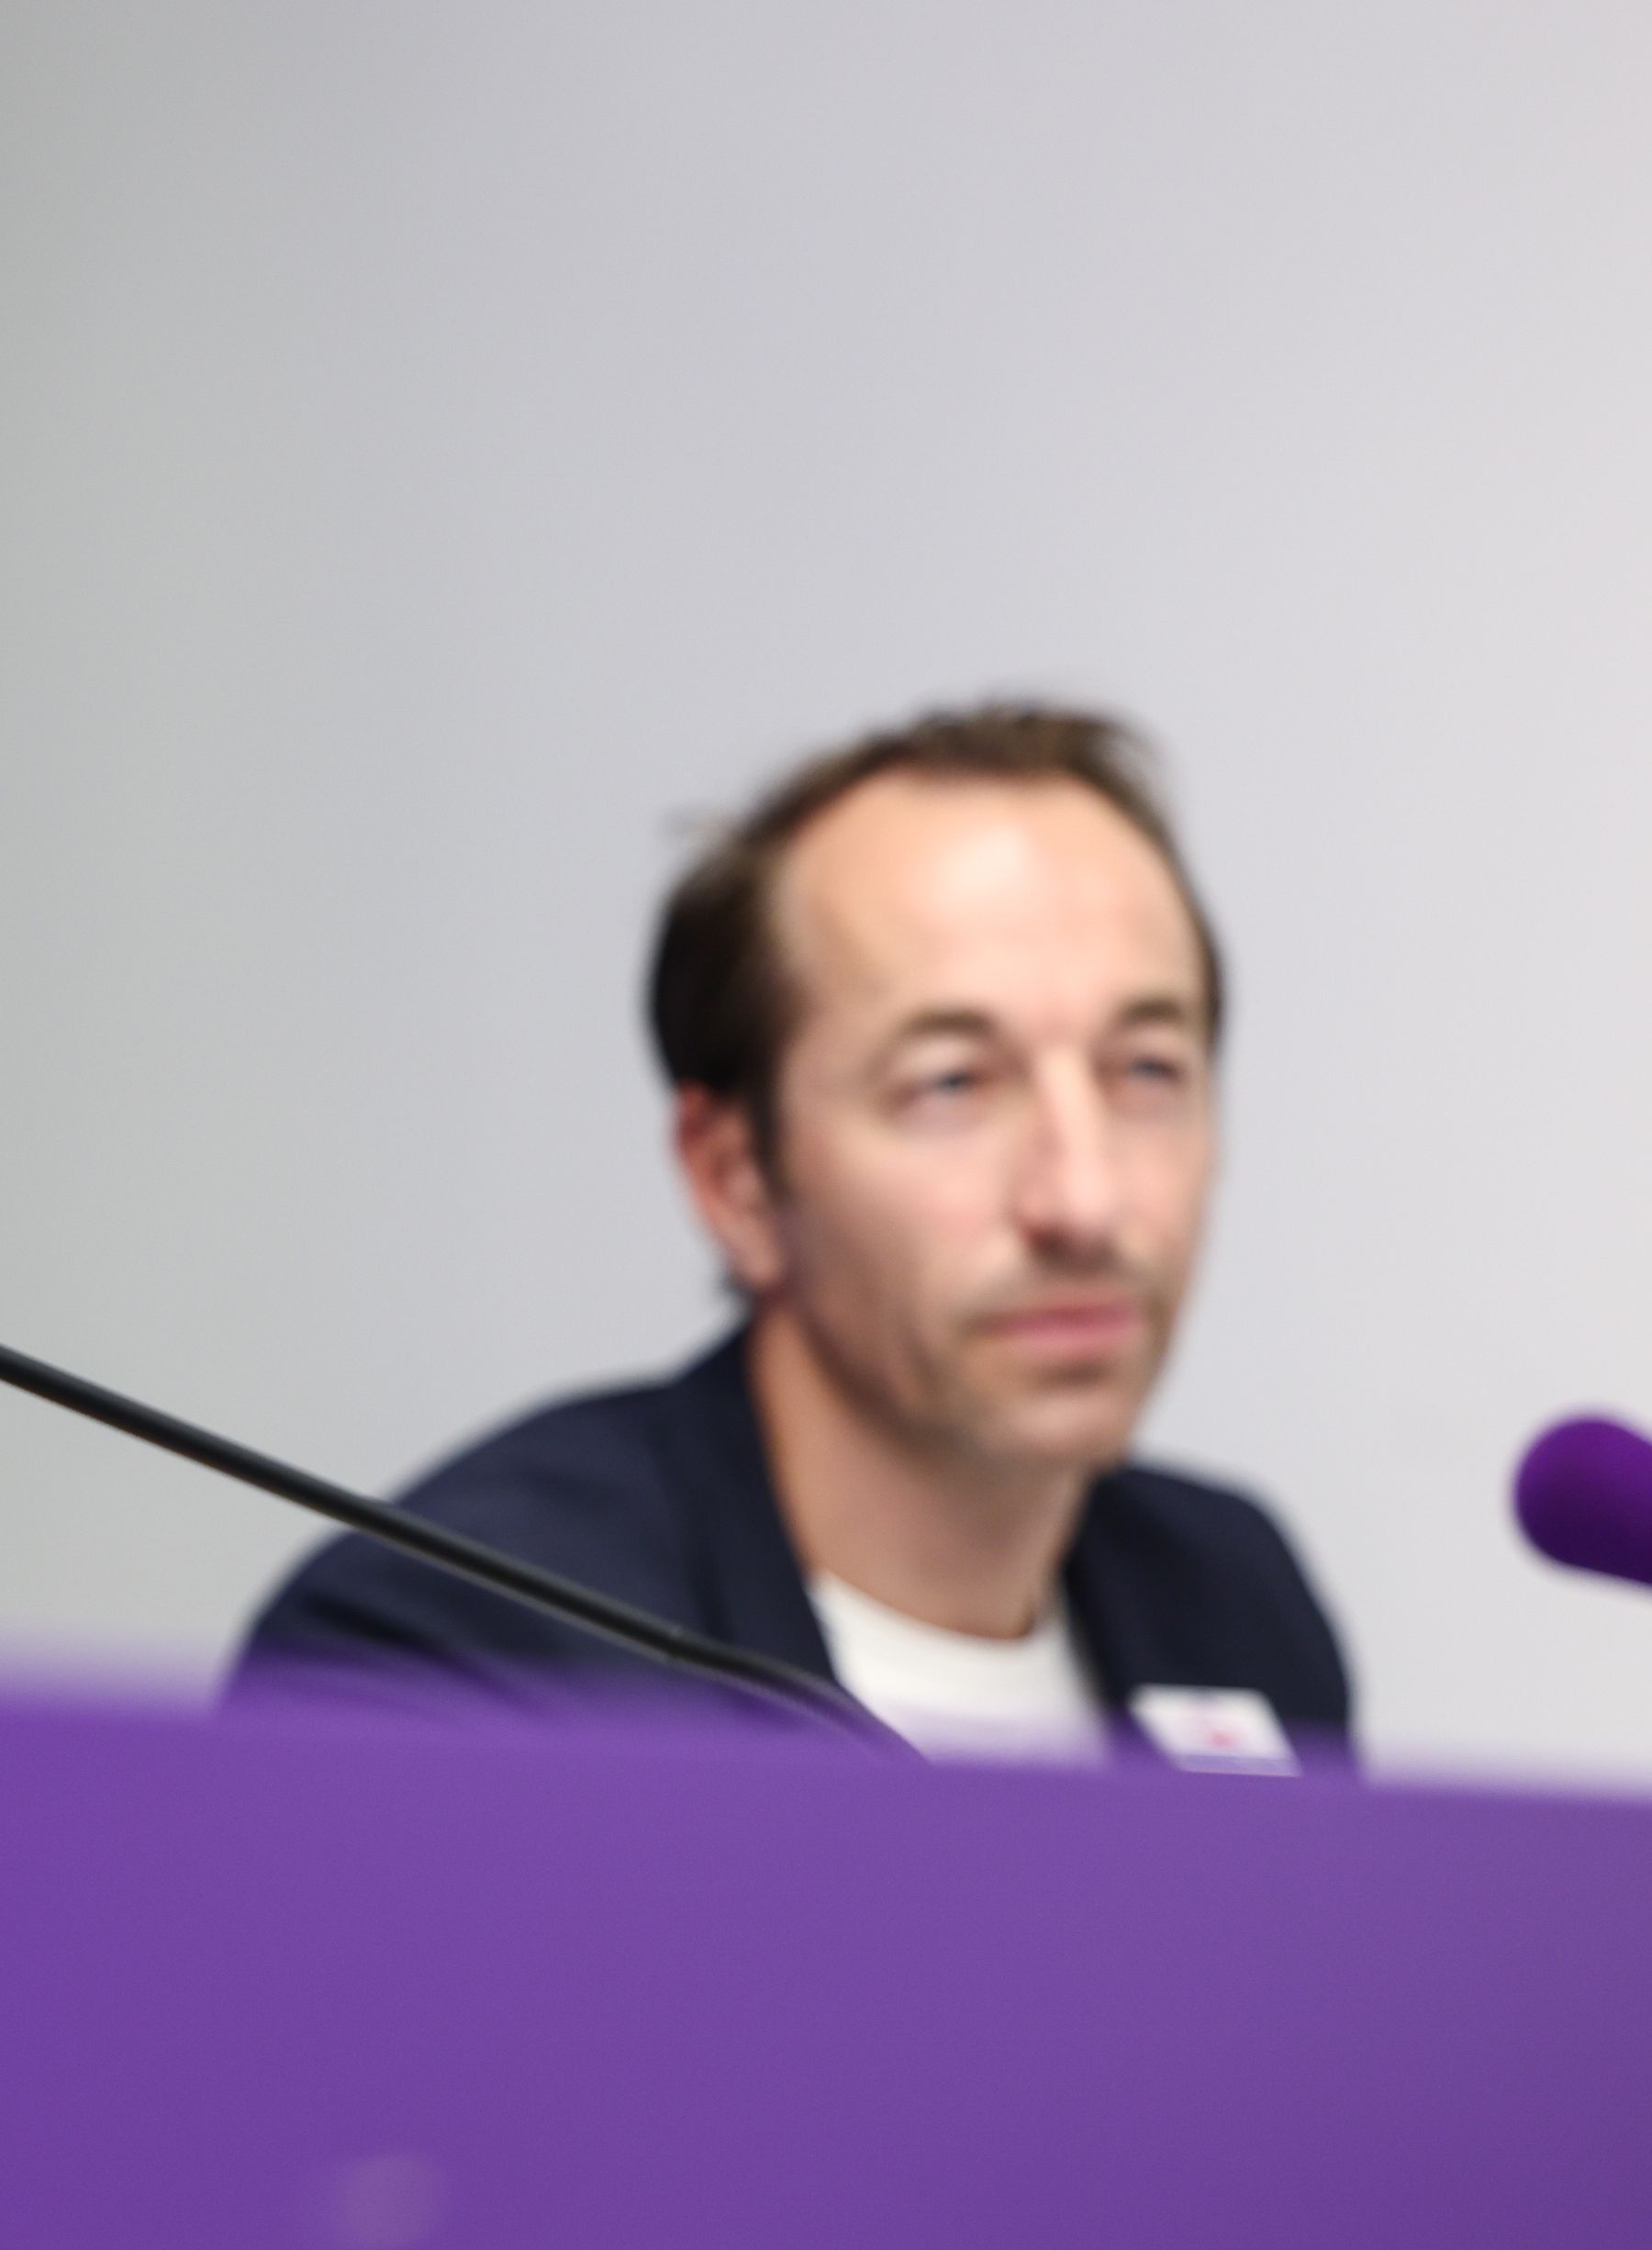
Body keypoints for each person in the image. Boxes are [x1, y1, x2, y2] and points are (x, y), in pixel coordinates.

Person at [241, 705, 1345, 1768]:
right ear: (735, 1183)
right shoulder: (459, 1648)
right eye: (951, 1084)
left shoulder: (1230, 1602)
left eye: (1146, 1070)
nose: (1083, 1200)